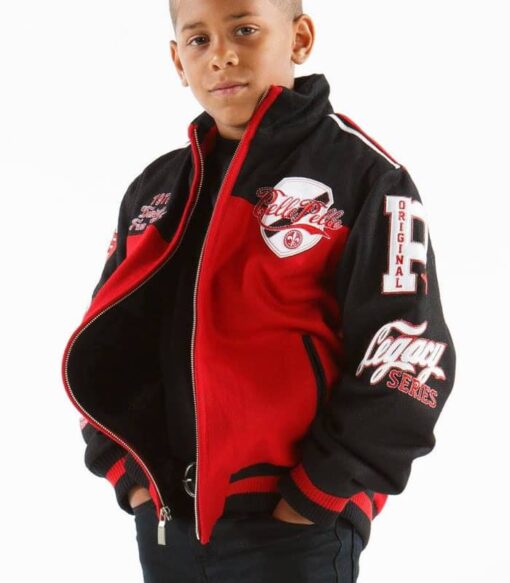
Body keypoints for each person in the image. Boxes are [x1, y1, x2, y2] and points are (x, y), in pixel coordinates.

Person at [61, 0, 456, 581]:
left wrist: (316, 496)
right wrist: (130, 477)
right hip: (167, 520)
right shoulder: (156, 191)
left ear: (299, 39)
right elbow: (106, 343)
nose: (221, 55)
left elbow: (411, 354)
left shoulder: (366, 176)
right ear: (177, 61)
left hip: (295, 528)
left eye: (244, 30)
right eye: (198, 40)